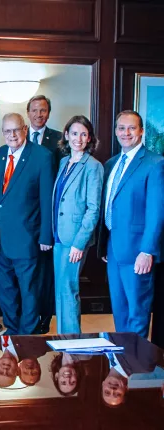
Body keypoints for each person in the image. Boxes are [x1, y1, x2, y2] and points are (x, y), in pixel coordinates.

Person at [0, 113, 55, 335]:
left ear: (25, 129)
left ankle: (28, 334)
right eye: (7, 131)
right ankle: (12, 329)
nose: (12, 135)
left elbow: (47, 200)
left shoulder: (42, 156)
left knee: (29, 290)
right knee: (6, 290)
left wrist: (46, 236)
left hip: (28, 237)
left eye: (16, 130)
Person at [97, 110, 164, 338]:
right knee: (120, 310)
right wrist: (104, 242)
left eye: (132, 128)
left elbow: (156, 213)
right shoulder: (111, 164)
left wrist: (147, 251)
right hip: (113, 249)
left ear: (141, 131)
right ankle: (122, 362)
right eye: (121, 128)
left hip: (138, 251)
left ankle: (135, 365)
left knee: (137, 311)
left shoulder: (155, 163)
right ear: (116, 131)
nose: (126, 133)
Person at [52, 115, 103, 334]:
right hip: (59, 236)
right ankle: (65, 340)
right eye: (74, 133)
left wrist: (79, 243)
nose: (78, 139)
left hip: (75, 239)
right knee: (61, 290)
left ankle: (72, 343)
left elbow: (93, 209)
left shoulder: (93, 166)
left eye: (84, 134)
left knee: (68, 289)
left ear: (89, 137)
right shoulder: (64, 162)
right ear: (66, 135)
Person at [26, 95, 63, 334]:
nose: (39, 115)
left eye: (44, 111)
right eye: (35, 110)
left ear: (48, 113)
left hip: (47, 215)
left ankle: (44, 318)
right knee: (26, 270)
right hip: (23, 217)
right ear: (27, 112)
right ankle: (26, 316)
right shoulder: (17, 137)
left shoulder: (60, 140)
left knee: (45, 273)